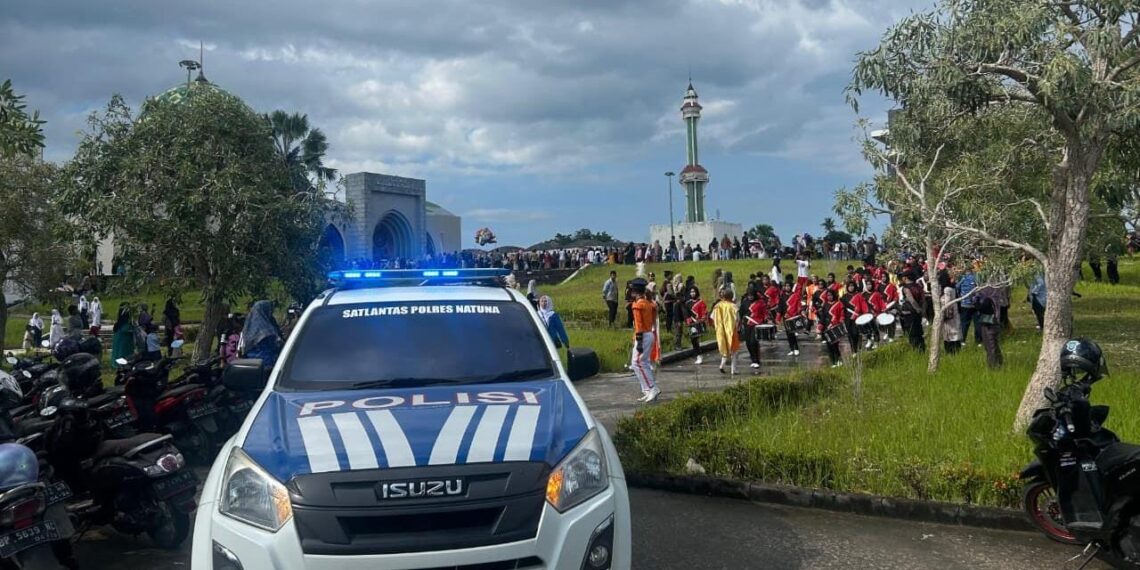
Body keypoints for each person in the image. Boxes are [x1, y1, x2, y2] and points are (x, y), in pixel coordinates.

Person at [629, 279, 660, 403]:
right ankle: (647, 390)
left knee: (637, 363)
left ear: (635, 291)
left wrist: (639, 342)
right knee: (644, 363)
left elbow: (639, 324)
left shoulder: (637, 305)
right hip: (649, 334)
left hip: (642, 335)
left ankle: (652, 388)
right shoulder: (648, 303)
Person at [239, 300, 284, 369]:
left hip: (251, 366)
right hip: (267, 365)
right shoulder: (267, 330)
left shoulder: (248, 329)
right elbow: (276, 346)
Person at [711, 288, 740, 374]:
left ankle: (722, 365)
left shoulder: (717, 306)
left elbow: (712, 317)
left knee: (725, 349)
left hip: (720, 331)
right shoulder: (733, 306)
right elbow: (737, 318)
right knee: (734, 351)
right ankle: (733, 369)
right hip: (731, 331)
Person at [976, 289, 1003, 368]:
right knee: (994, 344)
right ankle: (998, 362)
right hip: (995, 323)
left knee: (990, 346)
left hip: (989, 325)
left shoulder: (988, 299)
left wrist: (976, 301)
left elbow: (981, 308)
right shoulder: (996, 296)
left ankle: (993, 365)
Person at [900, 272, 926, 351]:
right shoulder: (918, 286)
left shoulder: (906, 288)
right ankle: (922, 349)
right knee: (919, 332)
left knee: (912, 333)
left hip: (909, 313)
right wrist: (922, 310)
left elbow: (912, 300)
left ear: (905, 278)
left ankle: (915, 350)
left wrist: (917, 309)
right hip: (918, 313)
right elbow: (923, 299)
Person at [685, 287, 708, 364]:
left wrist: (702, 319)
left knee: (696, 340)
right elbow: (687, 314)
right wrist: (688, 320)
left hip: (699, 323)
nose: (692, 293)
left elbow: (704, 312)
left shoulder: (701, 302)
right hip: (692, 324)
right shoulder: (688, 303)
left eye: (694, 292)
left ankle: (699, 354)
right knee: (693, 340)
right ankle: (698, 355)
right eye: (691, 292)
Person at [823, 290, 845, 367]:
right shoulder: (825, 305)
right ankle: (833, 362)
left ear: (834, 295)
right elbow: (823, 317)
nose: (829, 297)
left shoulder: (839, 304)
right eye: (828, 295)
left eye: (831, 295)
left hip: (835, 327)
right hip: (827, 327)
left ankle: (838, 359)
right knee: (829, 346)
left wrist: (840, 321)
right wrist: (820, 326)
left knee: (835, 345)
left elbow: (842, 315)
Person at [783, 282, 803, 357]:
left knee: (793, 334)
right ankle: (791, 349)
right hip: (785, 317)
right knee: (788, 334)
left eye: (788, 286)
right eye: (786, 286)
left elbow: (798, 305)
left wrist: (797, 313)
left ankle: (796, 348)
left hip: (793, 317)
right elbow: (781, 306)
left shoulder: (795, 295)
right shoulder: (782, 296)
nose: (787, 287)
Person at [940, 286, 962, 354]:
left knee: (950, 334)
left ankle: (951, 351)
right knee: (955, 332)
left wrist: (944, 315)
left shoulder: (947, 289)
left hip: (949, 315)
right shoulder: (952, 288)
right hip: (954, 314)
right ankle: (955, 351)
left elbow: (947, 303)